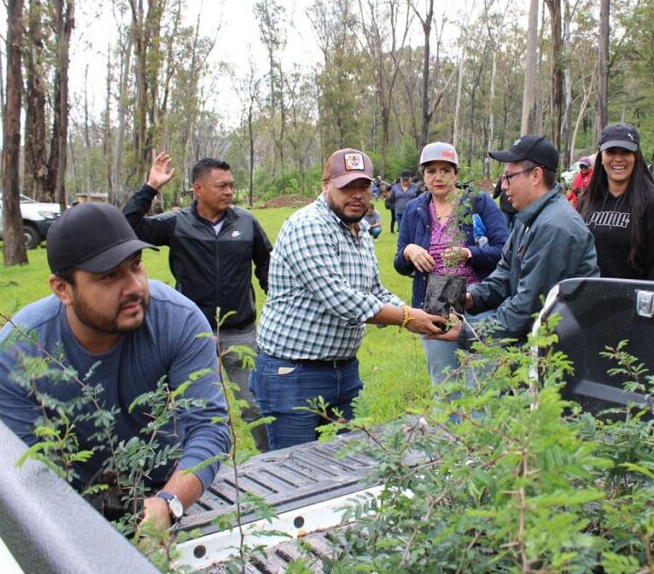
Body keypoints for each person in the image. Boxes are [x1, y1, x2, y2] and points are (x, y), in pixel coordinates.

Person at [0, 203, 230, 531]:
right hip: (65, 506)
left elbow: (209, 427)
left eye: (136, 266)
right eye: (109, 275)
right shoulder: (15, 356)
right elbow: (25, 475)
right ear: (63, 289)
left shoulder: (178, 320)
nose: (134, 287)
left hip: (162, 488)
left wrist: (169, 502)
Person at [251, 149, 447, 450]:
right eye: (346, 187)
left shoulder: (360, 229)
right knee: (296, 473)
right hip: (292, 375)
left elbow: (373, 290)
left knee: (347, 464)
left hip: (343, 370)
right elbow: (341, 299)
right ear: (325, 185)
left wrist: (417, 314)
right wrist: (407, 318)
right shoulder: (309, 225)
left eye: (363, 187)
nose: (357, 195)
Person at [123, 154, 273, 452]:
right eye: (222, 186)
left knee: (256, 405)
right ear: (199, 189)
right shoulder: (177, 223)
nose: (229, 192)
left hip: (241, 332)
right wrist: (150, 187)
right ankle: (193, 467)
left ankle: (272, 457)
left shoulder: (246, 222)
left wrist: (277, 303)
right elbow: (128, 227)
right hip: (192, 335)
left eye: (231, 185)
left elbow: (267, 264)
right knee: (193, 409)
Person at [459, 134, 600, 343]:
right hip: (536, 343)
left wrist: (468, 332)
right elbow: (505, 273)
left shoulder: (554, 226)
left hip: (558, 353)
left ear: (535, 176)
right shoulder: (528, 218)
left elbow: (529, 308)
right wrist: (472, 298)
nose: (503, 186)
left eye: (508, 177)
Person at [394, 142, 509, 386]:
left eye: (445, 170)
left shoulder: (479, 202)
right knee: (445, 387)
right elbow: (399, 263)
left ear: (456, 173)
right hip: (436, 307)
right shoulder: (415, 209)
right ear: (423, 175)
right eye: (431, 171)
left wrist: (469, 253)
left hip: (478, 304)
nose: (438, 177)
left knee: (482, 387)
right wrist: (408, 251)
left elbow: (504, 251)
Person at [578, 123, 654, 281]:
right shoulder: (588, 201)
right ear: (601, 157)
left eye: (626, 152)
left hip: (632, 301)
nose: (618, 159)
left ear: (636, 157)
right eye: (611, 152)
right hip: (589, 300)